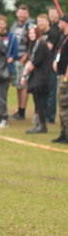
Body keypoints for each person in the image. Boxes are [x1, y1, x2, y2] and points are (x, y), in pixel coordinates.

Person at [21, 26, 52, 134]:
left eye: (33, 33)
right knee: (37, 102)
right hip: (36, 77)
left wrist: (24, 75)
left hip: (41, 77)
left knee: (40, 103)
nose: (31, 35)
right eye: (30, 33)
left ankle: (42, 125)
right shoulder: (33, 45)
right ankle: (39, 124)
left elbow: (34, 62)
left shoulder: (41, 44)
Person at [9, 4, 34, 120]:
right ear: (17, 13)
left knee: (24, 85)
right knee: (18, 86)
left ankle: (22, 111)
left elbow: (33, 42)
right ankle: (19, 110)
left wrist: (27, 55)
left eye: (24, 13)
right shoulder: (14, 26)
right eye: (20, 12)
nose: (22, 15)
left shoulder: (30, 25)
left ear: (28, 14)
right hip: (15, 59)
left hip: (24, 59)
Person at [51, 15, 68, 144]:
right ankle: (63, 133)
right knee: (61, 108)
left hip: (65, 78)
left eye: (60, 22)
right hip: (61, 75)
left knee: (65, 106)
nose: (58, 25)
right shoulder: (64, 38)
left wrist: (66, 78)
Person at [46, 7, 62, 124]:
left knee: (52, 91)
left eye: (53, 13)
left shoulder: (57, 30)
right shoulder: (51, 28)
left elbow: (51, 47)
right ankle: (47, 114)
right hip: (48, 63)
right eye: (50, 13)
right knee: (48, 90)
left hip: (53, 63)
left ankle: (50, 116)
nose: (51, 15)